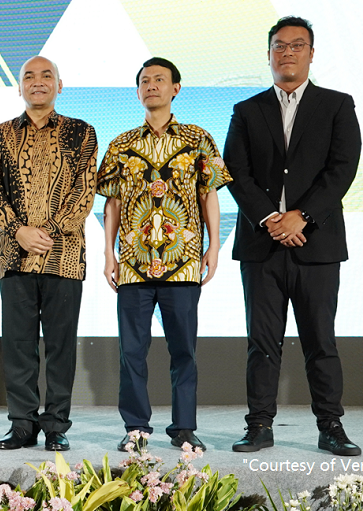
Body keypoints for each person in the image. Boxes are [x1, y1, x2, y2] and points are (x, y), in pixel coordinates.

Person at [223, 16, 362, 456]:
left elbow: (342, 168)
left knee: (321, 340)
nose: (287, 53)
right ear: (269, 54)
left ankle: (331, 426)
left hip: (316, 244)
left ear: (311, 54)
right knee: (262, 343)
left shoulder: (336, 105)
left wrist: (301, 216)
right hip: (261, 246)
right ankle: (259, 425)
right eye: (279, 46)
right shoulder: (247, 110)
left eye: (297, 45)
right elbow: (236, 172)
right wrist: (271, 218)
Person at [97, 57, 231, 453]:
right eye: (144, 81)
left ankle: (184, 427)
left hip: (183, 260)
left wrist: (214, 246)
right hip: (133, 262)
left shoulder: (198, 138)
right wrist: (108, 253)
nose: (151, 85)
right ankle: (136, 428)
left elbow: (208, 194)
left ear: (176, 88)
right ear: (138, 91)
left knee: (184, 350)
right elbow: (111, 203)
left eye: (159, 79)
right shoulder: (121, 144)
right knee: (131, 352)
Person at [0, 56, 97, 452]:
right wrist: (20, 231)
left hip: (63, 256)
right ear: (19, 87)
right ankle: (22, 425)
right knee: (18, 347)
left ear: (59, 85)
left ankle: (56, 426)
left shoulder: (82, 133)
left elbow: (84, 193)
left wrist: (45, 233)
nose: (37, 82)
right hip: (13, 256)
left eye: (46, 75)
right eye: (28, 76)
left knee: (61, 347)